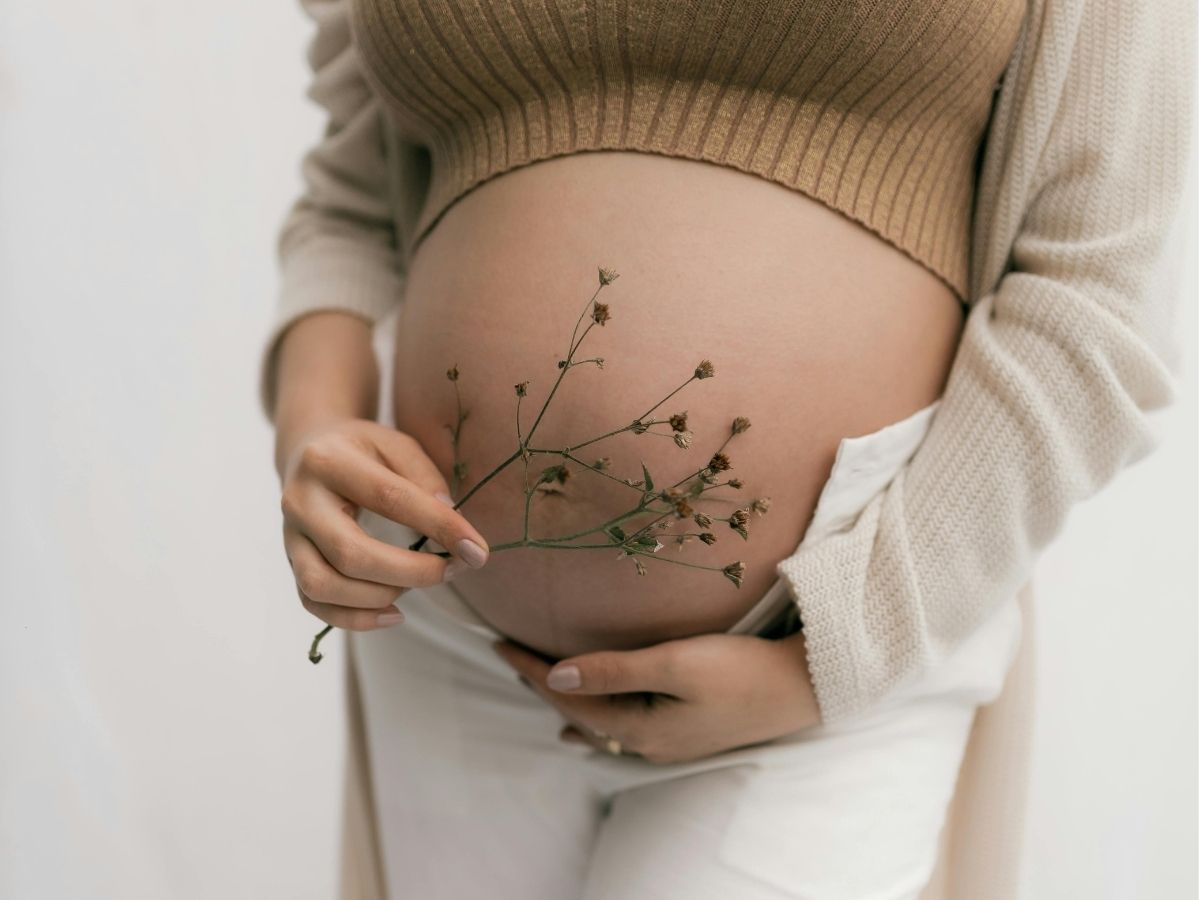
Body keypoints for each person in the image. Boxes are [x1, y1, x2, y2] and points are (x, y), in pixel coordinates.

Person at [260, 1, 1193, 897]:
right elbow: (349, 209)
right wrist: (315, 426)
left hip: (828, 632)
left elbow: (1090, 290)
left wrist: (828, 661)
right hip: (449, 634)